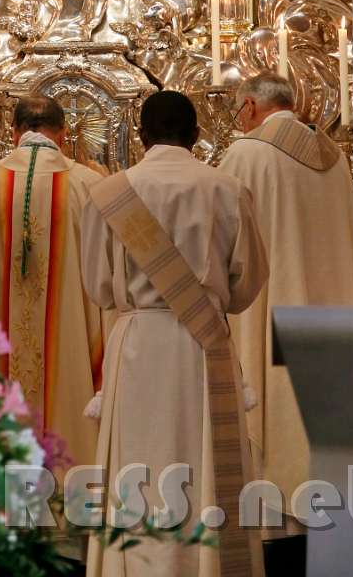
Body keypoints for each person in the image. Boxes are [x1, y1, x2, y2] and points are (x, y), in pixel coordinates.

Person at [82, 90, 268, 577]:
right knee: (203, 467)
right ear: (196, 135)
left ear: (140, 136)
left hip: (138, 343)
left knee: (137, 469)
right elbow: (247, 281)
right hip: (202, 345)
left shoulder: (110, 193)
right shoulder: (226, 188)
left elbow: (98, 286)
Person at [221, 71, 353, 574]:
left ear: (251, 107)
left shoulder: (247, 154)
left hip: (272, 303)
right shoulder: (335, 157)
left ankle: (275, 522)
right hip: (331, 312)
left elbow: (223, 236)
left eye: (239, 110)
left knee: (272, 408)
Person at [0, 96, 106, 468]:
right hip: (70, 340)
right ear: (63, 135)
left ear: (14, 133)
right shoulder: (89, 185)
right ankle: (68, 482)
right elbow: (107, 280)